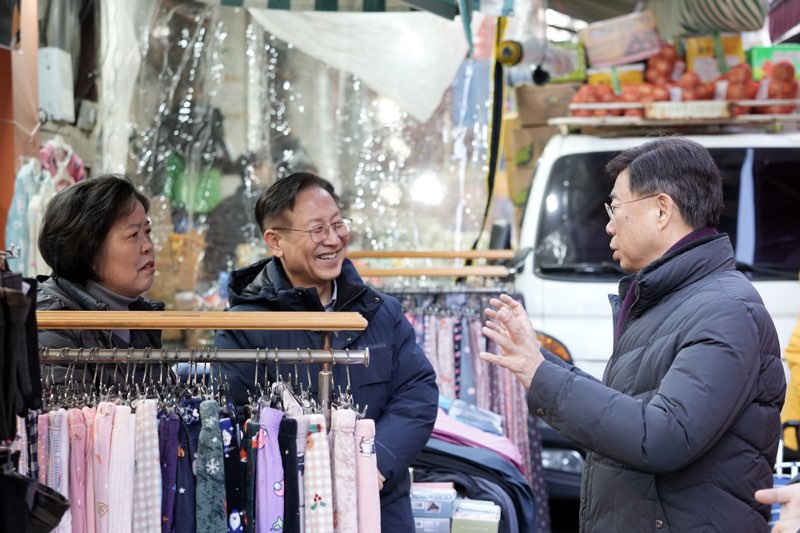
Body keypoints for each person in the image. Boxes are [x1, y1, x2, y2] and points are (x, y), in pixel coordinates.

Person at [479, 137, 785, 531]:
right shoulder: (670, 297)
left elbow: (662, 436)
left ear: (661, 209)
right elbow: (628, 411)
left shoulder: (726, 309)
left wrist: (542, 374)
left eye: (615, 207)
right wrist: (539, 364)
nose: (608, 224)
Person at [213, 171, 438, 532]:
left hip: (380, 507)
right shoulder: (243, 327)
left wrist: (372, 466)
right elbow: (235, 418)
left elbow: (417, 392)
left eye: (338, 224)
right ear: (275, 241)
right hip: (287, 509)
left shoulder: (381, 311)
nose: (334, 239)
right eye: (317, 230)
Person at [37, 174, 163, 358]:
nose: (148, 246)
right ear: (89, 249)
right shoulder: (53, 324)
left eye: (147, 231)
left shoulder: (141, 318)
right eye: (133, 235)